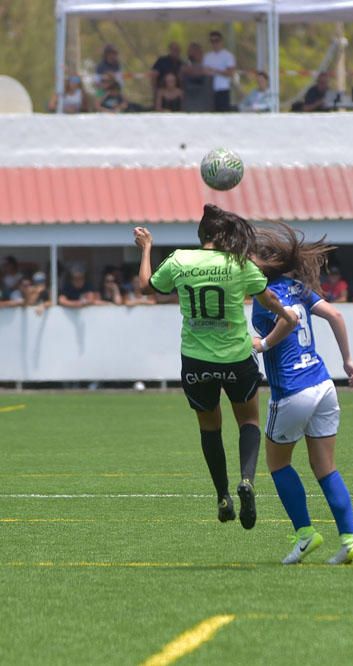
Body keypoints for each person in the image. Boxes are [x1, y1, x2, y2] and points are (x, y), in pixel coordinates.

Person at [133, 204, 299, 529]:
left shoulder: (181, 260)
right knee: (249, 420)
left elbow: (145, 286)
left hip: (196, 360)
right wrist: (286, 315)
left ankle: (223, 495)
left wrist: (147, 248)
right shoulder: (239, 264)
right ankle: (247, 481)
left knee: (210, 427)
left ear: (202, 235)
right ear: (224, 236)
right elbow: (268, 299)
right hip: (236, 358)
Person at [251, 223, 353, 566]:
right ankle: (350, 539)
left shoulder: (263, 294)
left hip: (292, 390)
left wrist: (263, 344)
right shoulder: (298, 288)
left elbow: (285, 325)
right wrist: (347, 360)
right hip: (323, 384)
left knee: (277, 463)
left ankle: (305, 534)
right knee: (325, 467)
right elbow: (336, 313)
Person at [204, 31, 236, 112]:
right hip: (210, 91)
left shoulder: (228, 56)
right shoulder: (207, 57)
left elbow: (231, 73)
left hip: (223, 90)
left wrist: (215, 71)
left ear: (221, 41)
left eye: (216, 40)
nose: (214, 43)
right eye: (212, 41)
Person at [180, 43, 213, 112]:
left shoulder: (207, 65)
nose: (191, 54)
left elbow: (208, 72)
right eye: (189, 52)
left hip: (204, 104)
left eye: (193, 51)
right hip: (189, 105)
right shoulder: (185, 66)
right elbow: (183, 72)